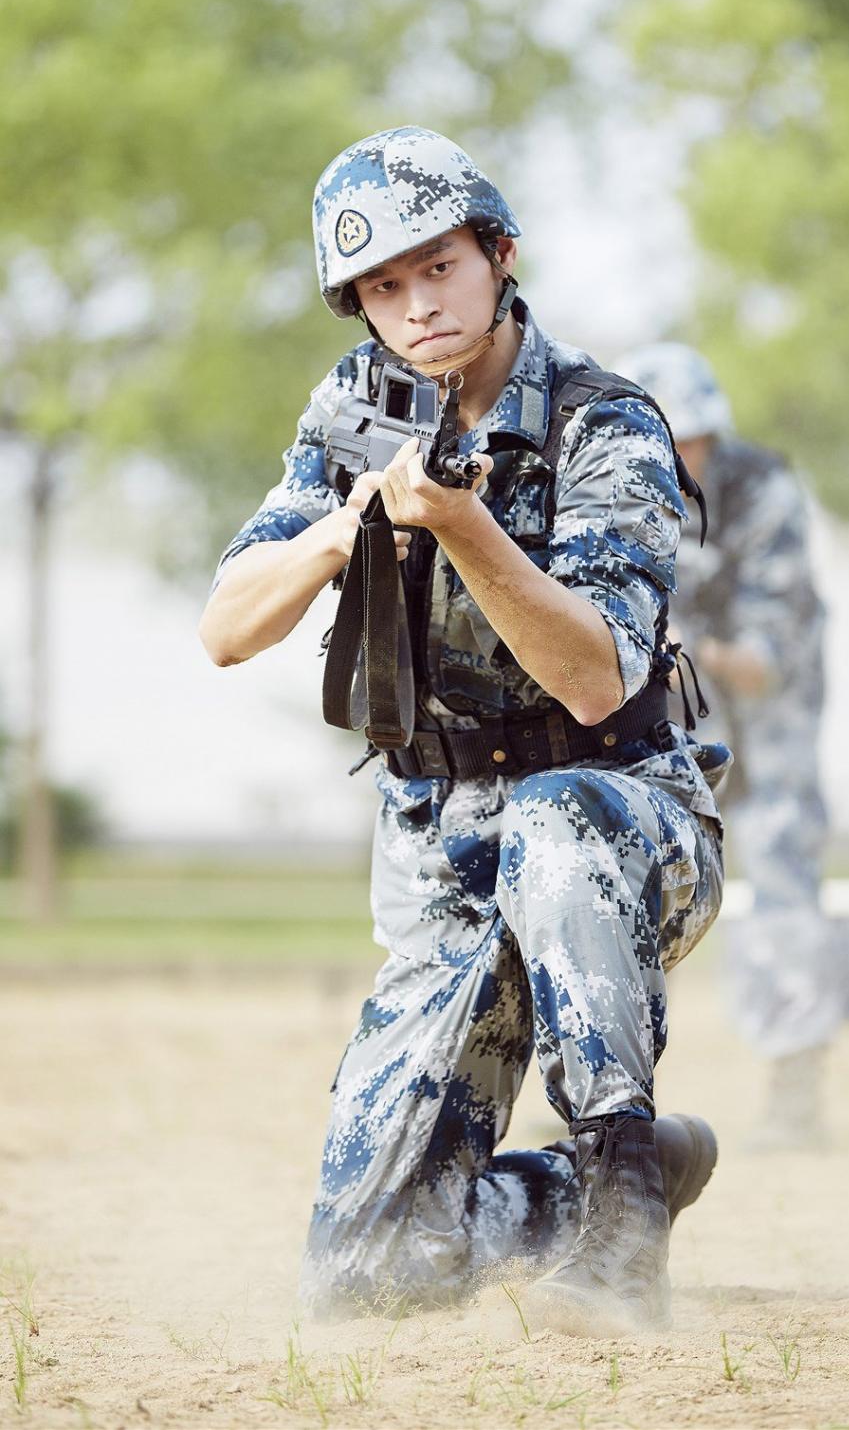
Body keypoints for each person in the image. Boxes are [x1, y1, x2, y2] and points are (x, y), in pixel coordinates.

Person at [199, 127, 727, 1335]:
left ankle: (623, 1197)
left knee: (552, 820)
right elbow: (225, 627)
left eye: (436, 266)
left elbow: (596, 680)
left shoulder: (608, 422)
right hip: (443, 856)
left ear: (498, 253)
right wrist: (345, 526)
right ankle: (575, 1191)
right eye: (382, 287)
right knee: (361, 1276)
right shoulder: (351, 413)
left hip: (623, 823)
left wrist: (456, 522)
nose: (415, 304)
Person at [614, 343, 840, 1150]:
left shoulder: (763, 492)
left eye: (696, 437)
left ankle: (796, 1087)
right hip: (673, 707)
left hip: (765, 712)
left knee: (781, 878)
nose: (687, 455)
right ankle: (609, 1103)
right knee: (632, 888)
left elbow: (766, 663)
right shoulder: (621, 489)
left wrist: (684, 648)